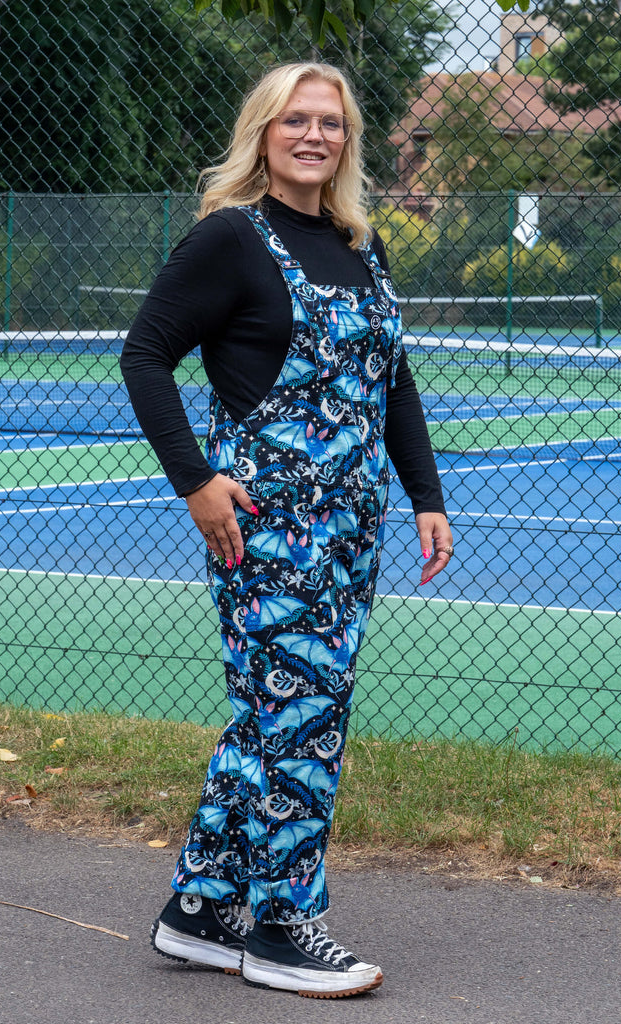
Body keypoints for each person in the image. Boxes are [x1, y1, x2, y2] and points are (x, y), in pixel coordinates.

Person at [120, 61, 453, 999]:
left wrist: (423, 495)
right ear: (263, 132)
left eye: (332, 123)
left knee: (269, 716)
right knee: (302, 723)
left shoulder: (358, 244)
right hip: (266, 534)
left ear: (348, 140)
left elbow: (393, 383)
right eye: (295, 120)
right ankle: (278, 926)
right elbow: (144, 354)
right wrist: (197, 483)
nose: (315, 136)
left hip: (351, 532)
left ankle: (200, 909)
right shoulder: (230, 239)